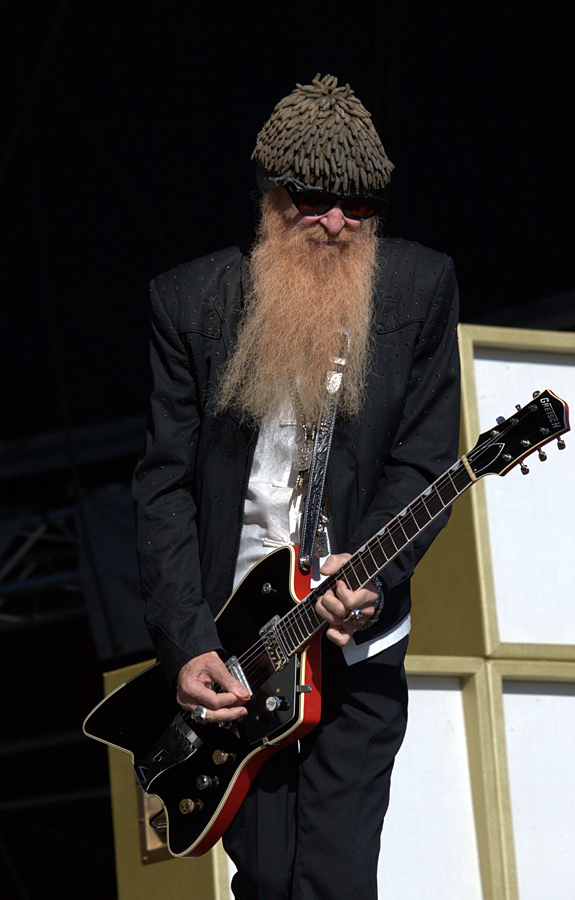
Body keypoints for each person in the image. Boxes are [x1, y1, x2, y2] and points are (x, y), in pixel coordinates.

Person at [132, 74, 460, 900]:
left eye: (361, 205)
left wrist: (371, 574)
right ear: (272, 197)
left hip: (352, 645)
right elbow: (164, 487)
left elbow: (421, 462)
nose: (339, 223)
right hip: (238, 658)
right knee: (271, 881)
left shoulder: (418, 291)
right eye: (315, 200)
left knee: (339, 879)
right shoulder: (190, 303)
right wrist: (187, 642)